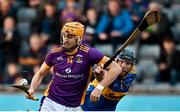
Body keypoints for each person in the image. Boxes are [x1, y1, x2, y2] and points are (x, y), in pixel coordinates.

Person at [25, 22, 122, 111]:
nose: (65, 40)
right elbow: (40, 73)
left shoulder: (89, 53)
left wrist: (99, 88)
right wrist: (32, 89)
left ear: (79, 39)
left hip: (75, 106)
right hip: (51, 102)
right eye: (64, 36)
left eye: (70, 37)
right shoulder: (54, 53)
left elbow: (116, 68)